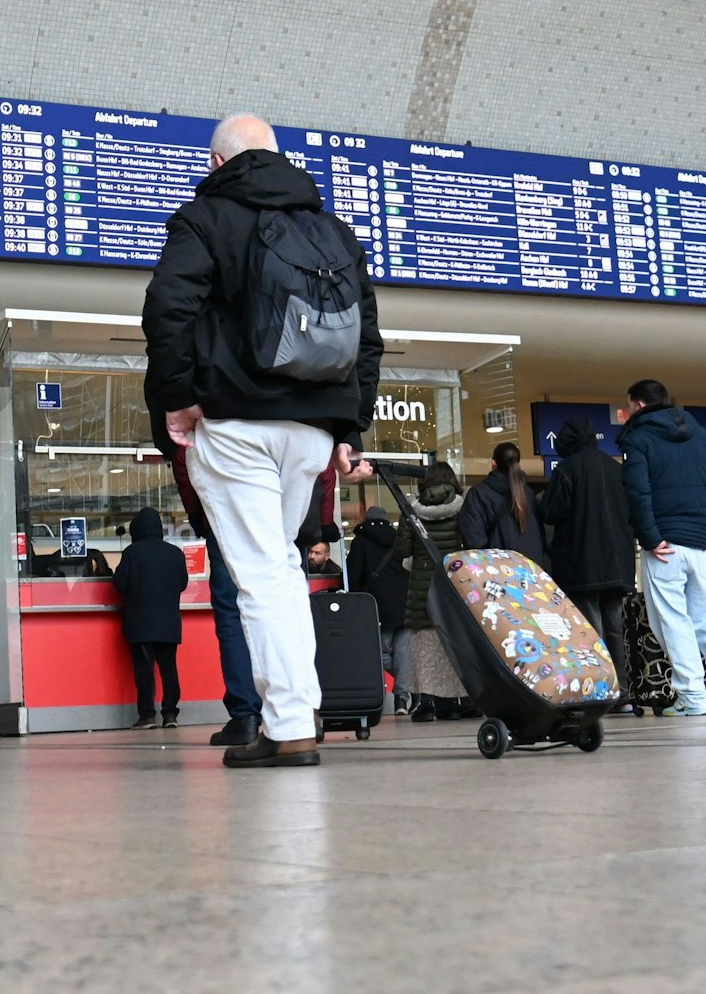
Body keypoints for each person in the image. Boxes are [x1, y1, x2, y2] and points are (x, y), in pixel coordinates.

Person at [143, 113, 383, 768]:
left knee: (260, 577)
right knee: (278, 569)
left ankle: (289, 724)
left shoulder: (204, 218)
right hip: (311, 429)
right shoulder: (330, 228)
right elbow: (366, 330)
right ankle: (295, 712)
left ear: (217, 164)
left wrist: (176, 397)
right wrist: (347, 424)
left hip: (237, 422)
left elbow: (168, 307)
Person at [616, 380, 706, 716]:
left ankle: (693, 696)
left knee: (671, 621)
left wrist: (651, 538)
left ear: (638, 405)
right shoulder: (698, 434)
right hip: (698, 544)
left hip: (663, 546)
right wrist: (695, 520)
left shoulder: (638, 438)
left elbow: (637, 493)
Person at [539, 415, 636, 695]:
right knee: (615, 629)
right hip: (619, 564)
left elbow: (551, 511)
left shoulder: (568, 469)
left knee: (591, 630)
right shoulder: (616, 469)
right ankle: (623, 691)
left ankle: (600, 689)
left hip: (582, 563)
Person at [171, 455, 262, 747]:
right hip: (282, 509)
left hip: (224, 512)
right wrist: (321, 519)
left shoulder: (207, 412)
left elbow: (183, 459)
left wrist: (200, 517)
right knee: (285, 607)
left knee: (232, 614)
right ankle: (299, 714)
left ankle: (246, 715)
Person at [391, 462, 470, 721]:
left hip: (423, 587)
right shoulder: (462, 506)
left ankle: (425, 704)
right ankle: (451, 704)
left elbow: (401, 550)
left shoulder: (411, 510)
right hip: (453, 585)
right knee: (450, 645)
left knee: (424, 646)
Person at [113, 507, 189, 728]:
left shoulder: (132, 553)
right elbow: (183, 584)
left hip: (140, 622)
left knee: (144, 670)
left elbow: (119, 584)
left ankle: (147, 715)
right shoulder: (175, 553)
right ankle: (170, 714)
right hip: (169, 622)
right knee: (169, 669)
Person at [346, 505, 412, 713]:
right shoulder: (399, 540)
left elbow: (352, 575)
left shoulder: (361, 542)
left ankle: (407, 687)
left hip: (375, 606)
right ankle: (402, 698)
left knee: (379, 651)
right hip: (404, 604)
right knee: (403, 652)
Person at [460, 441, 549, 566]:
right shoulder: (528, 493)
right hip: (531, 572)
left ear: (493, 463)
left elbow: (473, 540)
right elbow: (541, 537)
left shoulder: (478, 494)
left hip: (499, 573)